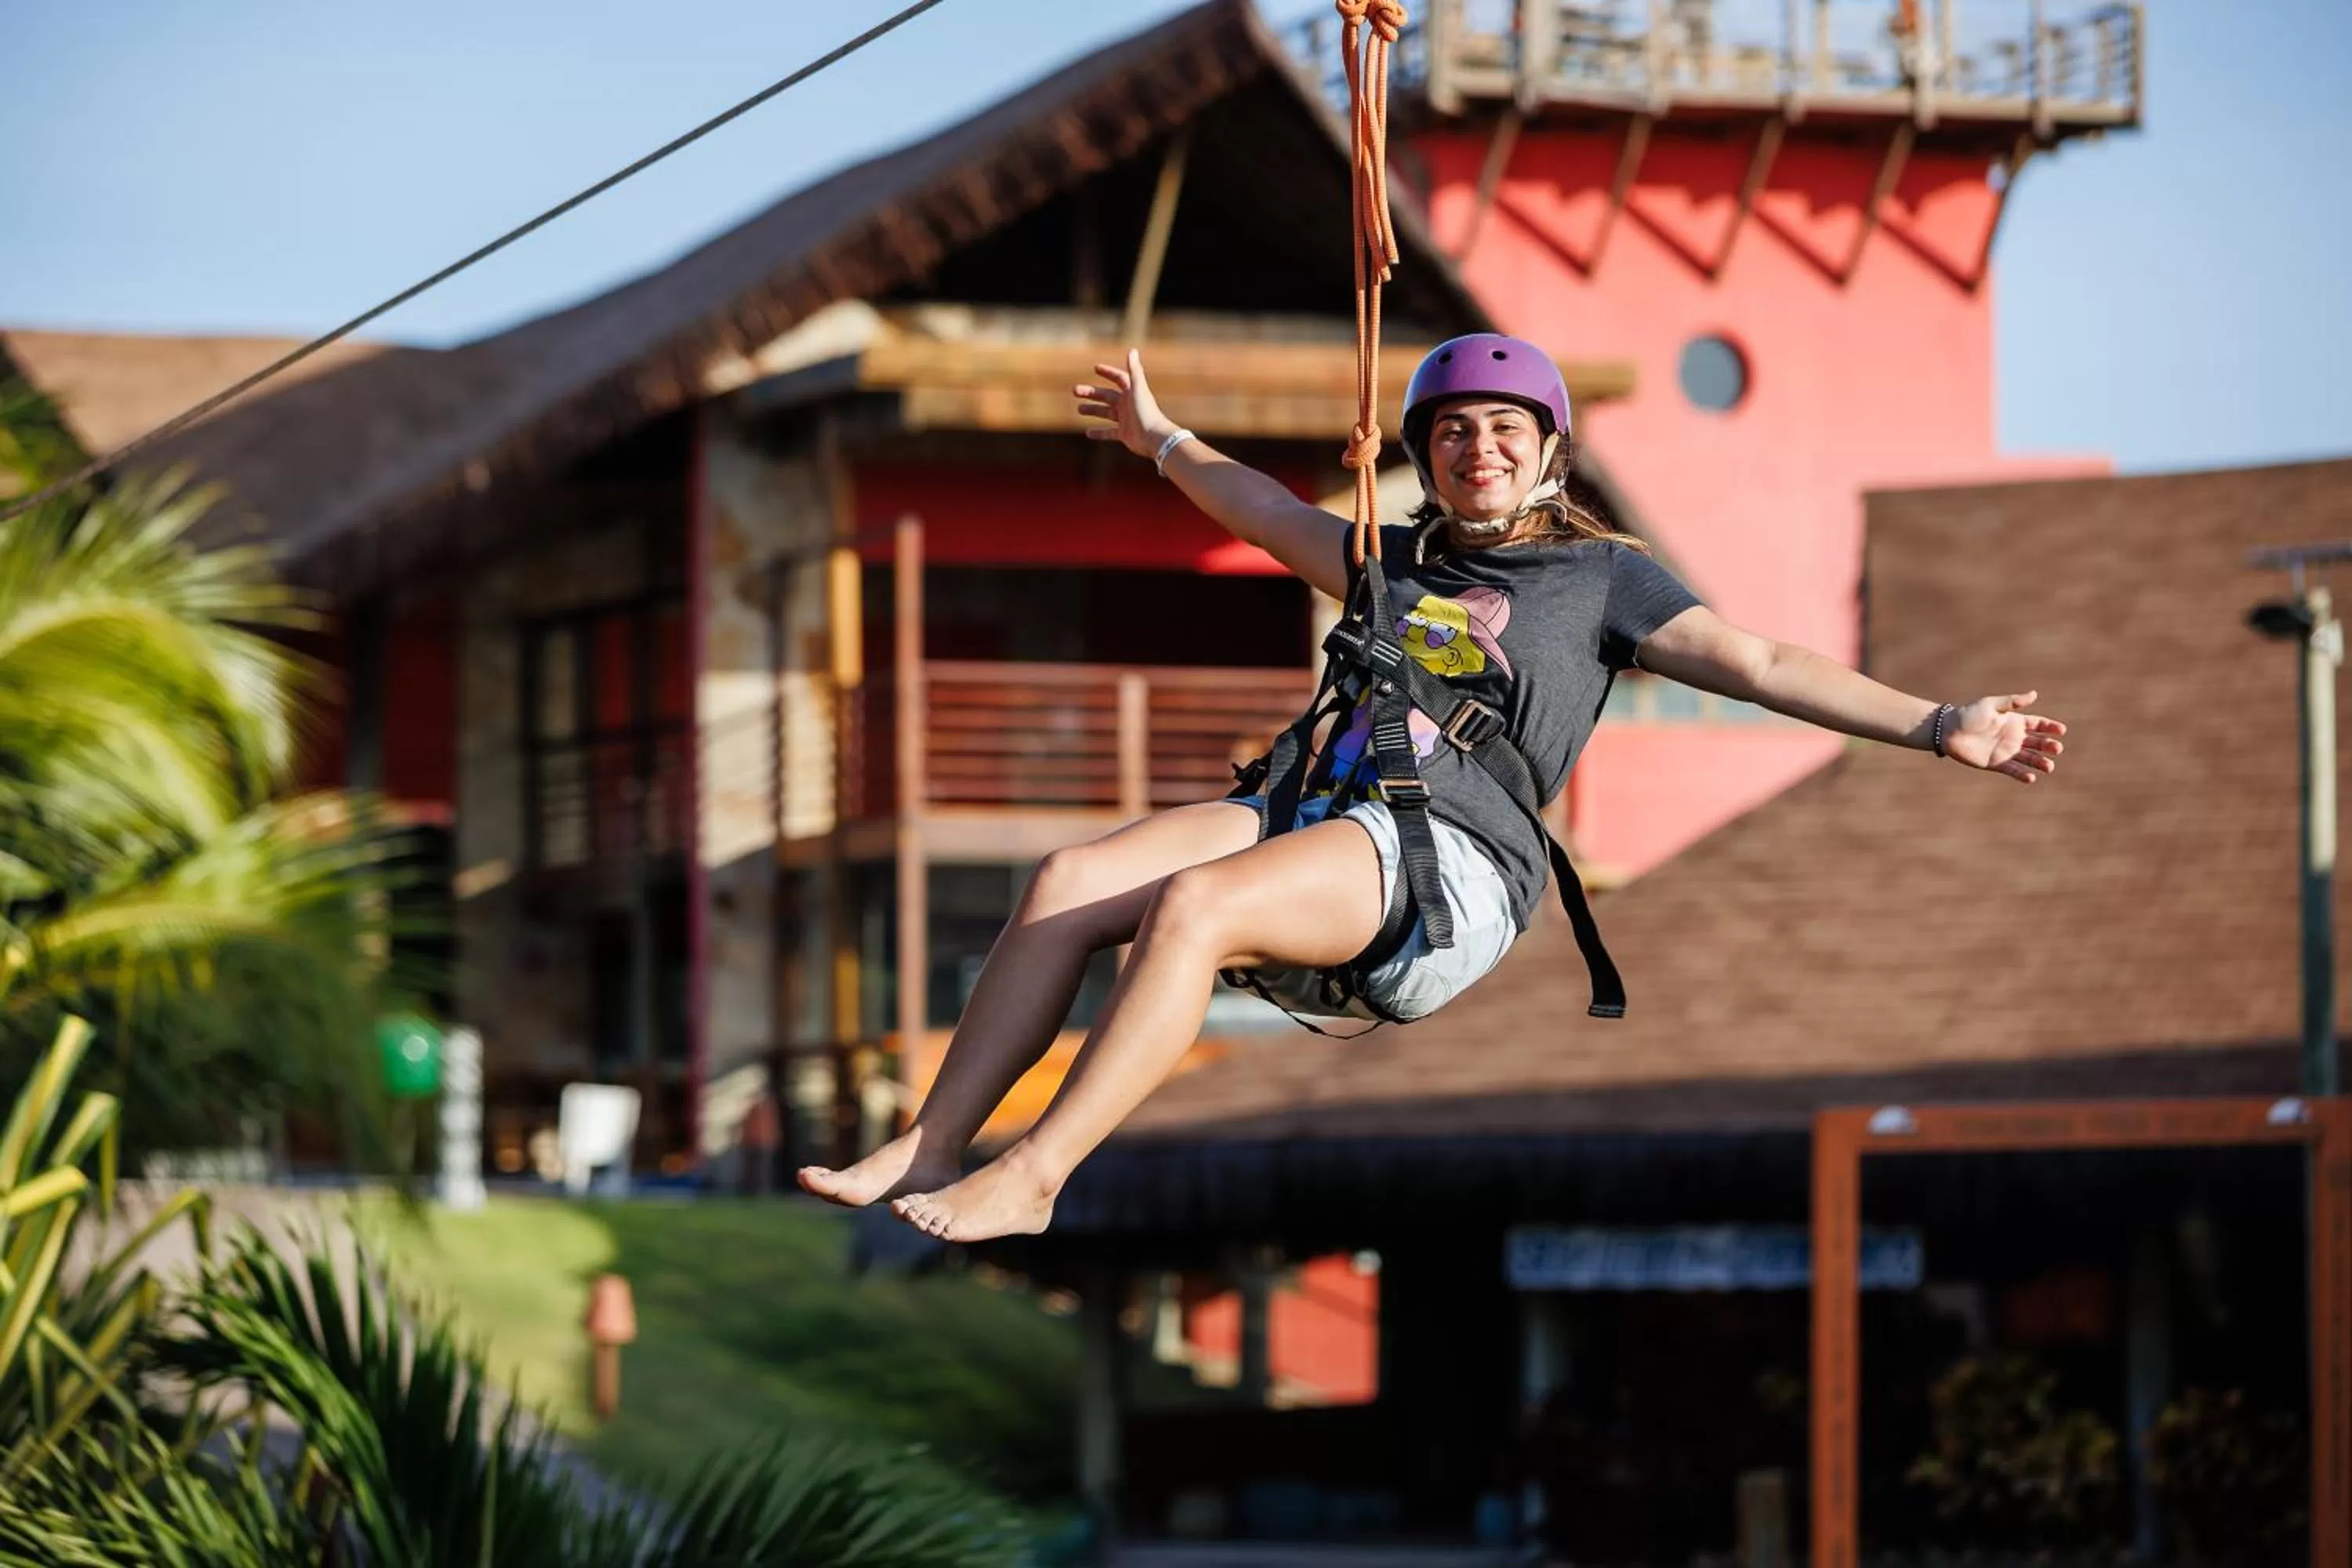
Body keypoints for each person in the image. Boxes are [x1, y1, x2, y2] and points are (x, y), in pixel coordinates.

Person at [798, 335, 2066, 1242]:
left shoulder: (1604, 581)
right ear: (1427, 455)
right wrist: (1163, 439)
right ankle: (937, 1136)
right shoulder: (1389, 562)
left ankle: (1041, 1173)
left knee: (1191, 907)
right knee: (1071, 882)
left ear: (1550, 454)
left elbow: (1758, 660)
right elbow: (1261, 511)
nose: (1480, 448)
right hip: (1316, 808)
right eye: (1455, 431)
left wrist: (1939, 722)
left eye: (1507, 430)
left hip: (1448, 867)